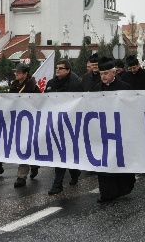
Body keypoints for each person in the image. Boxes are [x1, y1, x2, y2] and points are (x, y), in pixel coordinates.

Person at [92, 57, 135, 203]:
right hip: (103, 131)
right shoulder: (97, 88)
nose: (102, 76)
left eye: (105, 73)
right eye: (101, 74)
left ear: (114, 73)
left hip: (121, 131)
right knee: (104, 162)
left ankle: (123, 188)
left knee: (119, 161)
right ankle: (106, 193)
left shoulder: (125, 87)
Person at [46, 59, 84, 195]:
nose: (57, 70)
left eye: (61, 68)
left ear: (68, 70)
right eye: (56, 68)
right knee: (60, 153)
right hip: (55, 123)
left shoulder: (75, 85)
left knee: (64, 152)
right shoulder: (51, 84)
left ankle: (58, 184)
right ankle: (74, 172)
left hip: (70, 124)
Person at [8, 62, 42, 188]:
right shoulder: (14, 85)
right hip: (17, 120)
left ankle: (21, 177)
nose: (16, 74)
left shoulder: (33, 87)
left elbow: (39, 103)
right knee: (22, 147)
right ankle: (33, 164)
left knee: (26, 147)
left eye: (19, 72)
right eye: (16, 72)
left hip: (29, 121)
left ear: (26, 74)